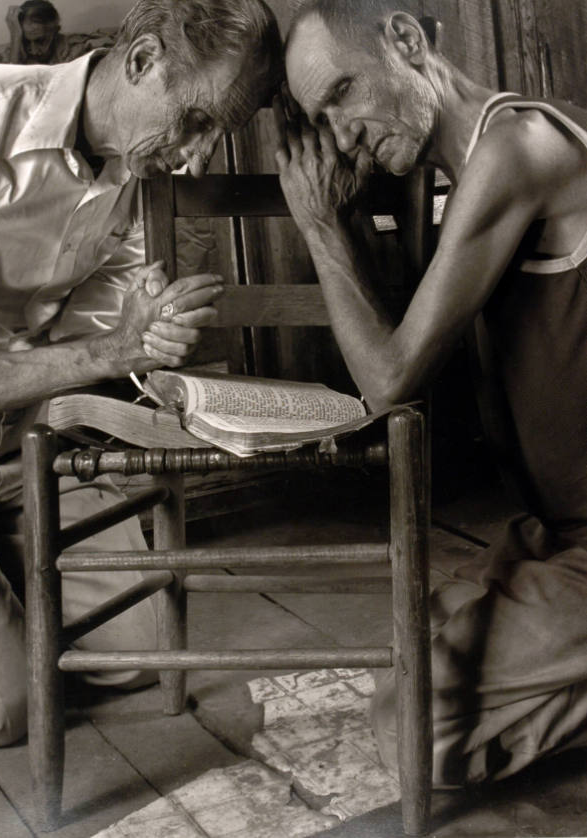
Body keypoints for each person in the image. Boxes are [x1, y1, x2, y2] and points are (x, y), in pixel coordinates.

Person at [0, 0, 282, 747]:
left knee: (139, 652)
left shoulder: (134, 158)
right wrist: (114, 352)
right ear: (143, 60)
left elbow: (99, 335)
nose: (197, 157)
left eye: (218, 132)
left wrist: (144, 333)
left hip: (26, 442)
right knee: (5, 712)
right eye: (195, 120)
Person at [274, 0, 587, 788]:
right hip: (558, 533)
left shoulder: (517, 148)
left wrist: (318, 227)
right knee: (426, 630)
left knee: (410, 723)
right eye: (321, 117)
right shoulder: (470, 164)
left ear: (406, 42)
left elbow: (386, 382)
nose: (340, 135)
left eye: (342, 92)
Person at [0, 1, 117, 66]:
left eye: (40, 41)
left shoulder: (79, 49)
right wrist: (16, 40)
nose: (33, 50)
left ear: (55, 32)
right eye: (25, 42)